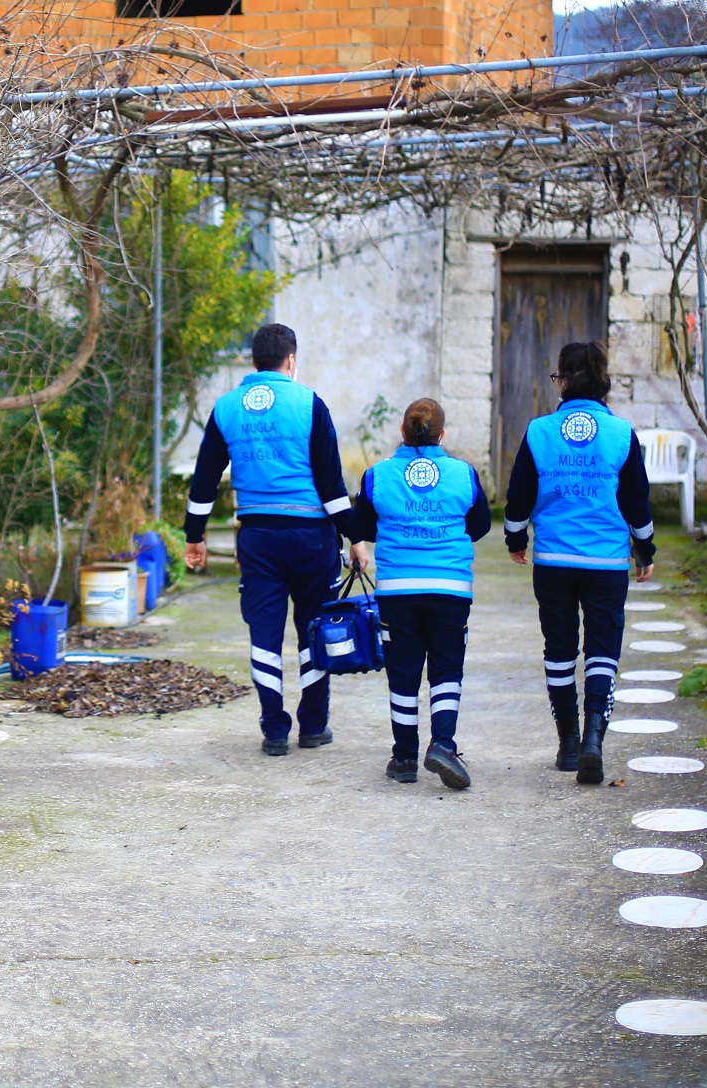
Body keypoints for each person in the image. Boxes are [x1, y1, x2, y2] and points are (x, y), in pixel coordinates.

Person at [182, 323, 357, 756]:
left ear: (252, 361)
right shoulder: (310, 404)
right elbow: (332, 485)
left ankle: (274, 730)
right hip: (312, 537)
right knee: (314, 630)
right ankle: (313, 727)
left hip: (258, 537)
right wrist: (356, 538)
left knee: (264, 634)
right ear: (291, 360)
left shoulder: (226, 408)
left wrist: (194, 536)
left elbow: (205, 480)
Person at [503, 341, 656, 786]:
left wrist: (515, 537)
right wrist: (644, 549)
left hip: (553, 560)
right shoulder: (622, 433)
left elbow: (518, 498)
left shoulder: (538, 431)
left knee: (559, 648)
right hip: (606, 562)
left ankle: (568, 744)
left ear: (564, 381)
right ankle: (594, 738)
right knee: (603, 648)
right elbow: (636, 502)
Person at [346, 398, 491, 789]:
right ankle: (442, 744)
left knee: (403, 673)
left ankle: (405, 757)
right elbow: (479, 526)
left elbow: (365, 526)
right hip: (451, 589)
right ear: (442, 435)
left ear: (402, 433)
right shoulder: (464, 474)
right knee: (446, 670)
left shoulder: (377, 476)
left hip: (398, 591)